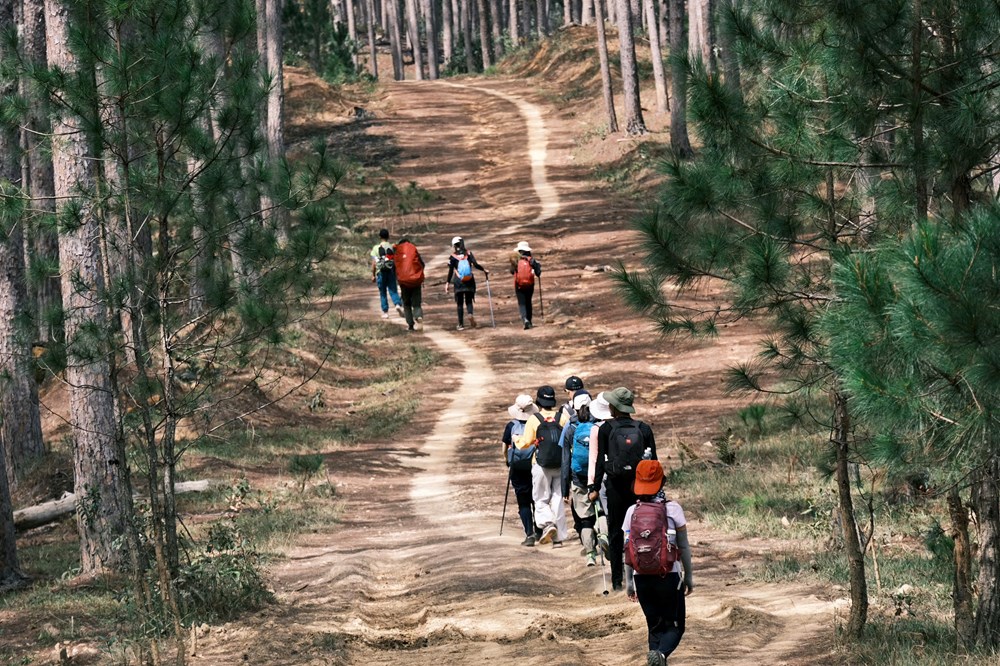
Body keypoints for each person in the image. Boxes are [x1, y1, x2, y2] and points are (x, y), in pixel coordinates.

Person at [624, 460, 693, 666]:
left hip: (641, 578)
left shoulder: (631, 512)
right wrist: (688, 576)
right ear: (662, 482)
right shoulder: (673, 509)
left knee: (654, 627)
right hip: (669, 575)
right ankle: (661, 655)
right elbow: (685, 547)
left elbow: (627, 549)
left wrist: (629, 582)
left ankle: (656, 657)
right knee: (675, 626)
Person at [589, 386, 658, 591]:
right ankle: (643, 573)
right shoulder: (643, 428)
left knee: (616, 532)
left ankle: (618, 581)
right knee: (641, 530)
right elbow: (653, 461)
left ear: (614, 407)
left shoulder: (606, 429)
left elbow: (601, 461)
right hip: (640, 487)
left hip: (615, 487)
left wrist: (594, 487)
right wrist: (656, 489)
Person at [514, 385, 569, 547]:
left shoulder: (534, 419)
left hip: (541, 464)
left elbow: (525, 443)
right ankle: (558, 538)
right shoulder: (562, 418)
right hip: (560, 464)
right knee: (558, 499)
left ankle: (547, 524)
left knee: (541, 498)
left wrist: (517, 439)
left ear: (538, 400)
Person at [559, 392, 600, 566]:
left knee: (584, 519)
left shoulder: (569, 427)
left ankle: (590, 552)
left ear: (573, 406)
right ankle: (603, 535)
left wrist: (564, 488)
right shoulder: (599, 424)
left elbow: (565, 459)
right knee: (602, 511)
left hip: (578, 478)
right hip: (598, 477)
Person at [503, 395, 539, 546]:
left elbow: (505, 447)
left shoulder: (511, 426)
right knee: (537, 498)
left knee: (523, 501)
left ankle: (529, 534)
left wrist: (507, 460)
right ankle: (540, 530)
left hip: (517, 467)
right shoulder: (537, 423)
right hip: (535, 465)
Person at [444, 236, 489, 331]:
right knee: (469, 300)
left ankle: (460, 324)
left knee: (459, 303)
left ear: (454, 246)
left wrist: (447, 283)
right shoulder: (468, 253)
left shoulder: (453, 257)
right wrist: (484, 269)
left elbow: (451, 271)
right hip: (469, 281)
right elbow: (475, 265)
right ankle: (470, 314)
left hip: (458, 282)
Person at [370, 228, 404, 319]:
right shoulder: (392, 247)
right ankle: (397, 304)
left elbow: (374, 263)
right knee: (393, 289)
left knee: (383, 292)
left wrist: (373, 275)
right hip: (390, 271)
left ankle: (385, 312)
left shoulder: (376, 248)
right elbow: (396, 260)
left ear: (379, 237)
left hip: (380, 272)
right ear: (388, 236)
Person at [394, 237, 425, 331]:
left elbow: (395, 267)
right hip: (416, 280)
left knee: (406, 304)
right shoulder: (412, 248)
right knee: (416, 303)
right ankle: (418, 316)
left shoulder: (398, 251)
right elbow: (422, 264)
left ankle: (410, 325)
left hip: (404, 282)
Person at [509, 241, 541, 329]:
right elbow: (538, 273)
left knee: (521, 303)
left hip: (519, 285)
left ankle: (525, 320)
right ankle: (529, 321)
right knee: (528, 301)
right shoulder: (531, 260)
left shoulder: (516, 260)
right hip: (530, 285)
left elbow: (512, 271)